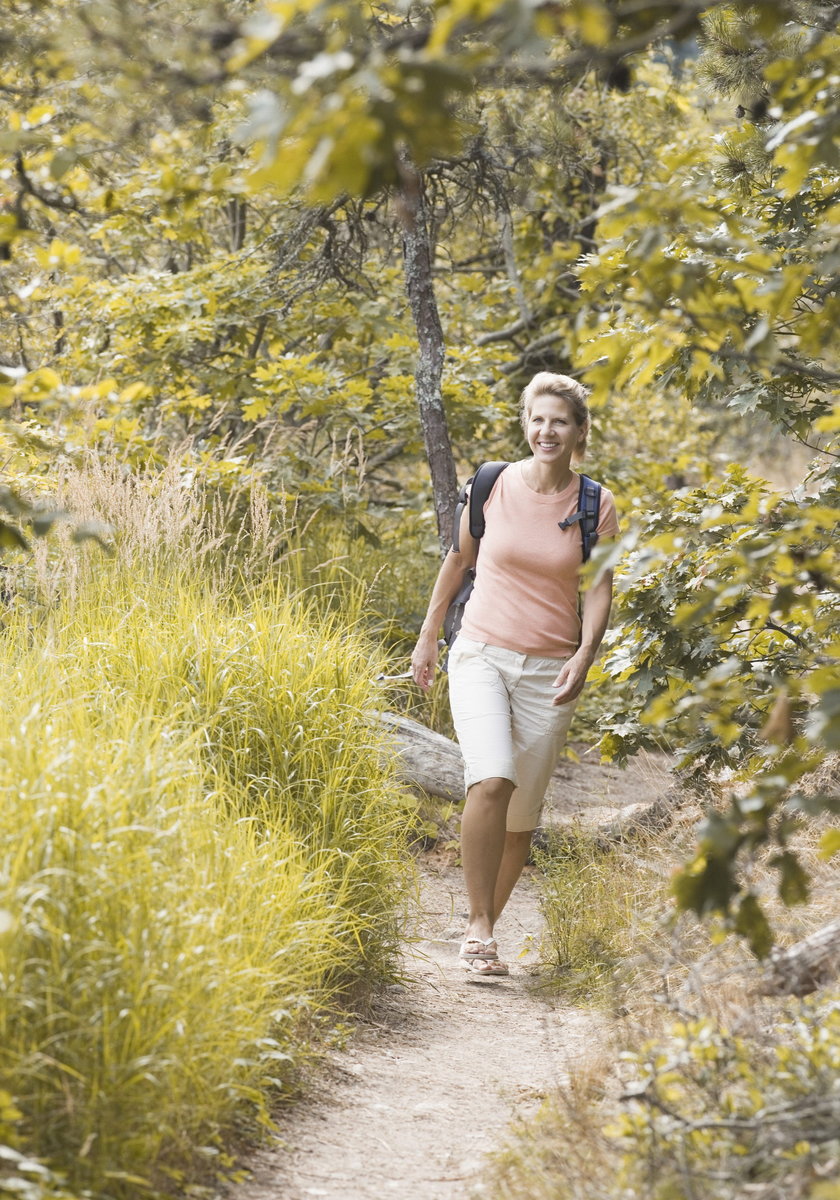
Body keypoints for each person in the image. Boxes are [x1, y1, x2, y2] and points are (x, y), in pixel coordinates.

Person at [410, 372, 620, 979]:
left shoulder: (594, 503)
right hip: (479, 652)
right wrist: (429, 634)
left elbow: (600, 586)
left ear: (579, 431)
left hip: (551, 670)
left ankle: (486, 934)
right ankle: (476, 928)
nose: (545, 430)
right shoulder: (491, 483)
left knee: (521, 818)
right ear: (525, 424)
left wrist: (585, 654)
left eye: (559, 421)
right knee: (492, 779)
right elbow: (459, 560)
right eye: (536, 419)